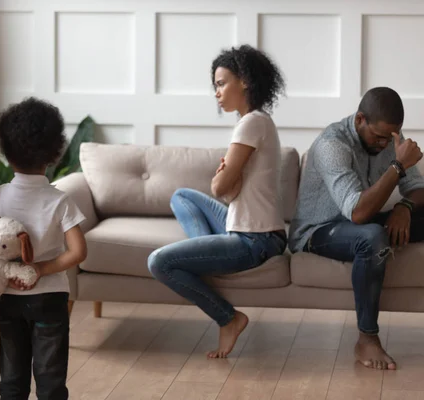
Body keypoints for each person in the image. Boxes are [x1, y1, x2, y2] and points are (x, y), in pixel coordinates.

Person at [148, 44, 287, 359]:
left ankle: (229, 318)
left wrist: (226, 178)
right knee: (181, 196)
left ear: (245, 82)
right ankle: (211, 249)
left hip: (255, 239)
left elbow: (220, 186)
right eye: (216, 86)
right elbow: (226, 189)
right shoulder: (257, 120)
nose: (217, 92)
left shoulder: (251, 123)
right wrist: (228, 181)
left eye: (222, 83)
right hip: (251, 228)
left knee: (159, 261)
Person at [288, 87, 424, 371]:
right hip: (320, 230)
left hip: (361, 222)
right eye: (378, 137)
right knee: (372, 238)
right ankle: (367, 339)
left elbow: (417, 188)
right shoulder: (332, 144)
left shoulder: (387, 139)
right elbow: (358, 212)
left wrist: (404, 208)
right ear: (360, 119)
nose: (384, 143)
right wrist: (398, 165)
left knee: (388, 225)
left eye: (391, 137)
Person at [0, 97, 87, 400]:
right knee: (50, 379)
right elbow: (78, 252)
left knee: (12, 379)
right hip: (51, 299)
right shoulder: (59, 200)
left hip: (10, 299)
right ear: (53, 152)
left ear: (7, 152)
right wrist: (40, 269)